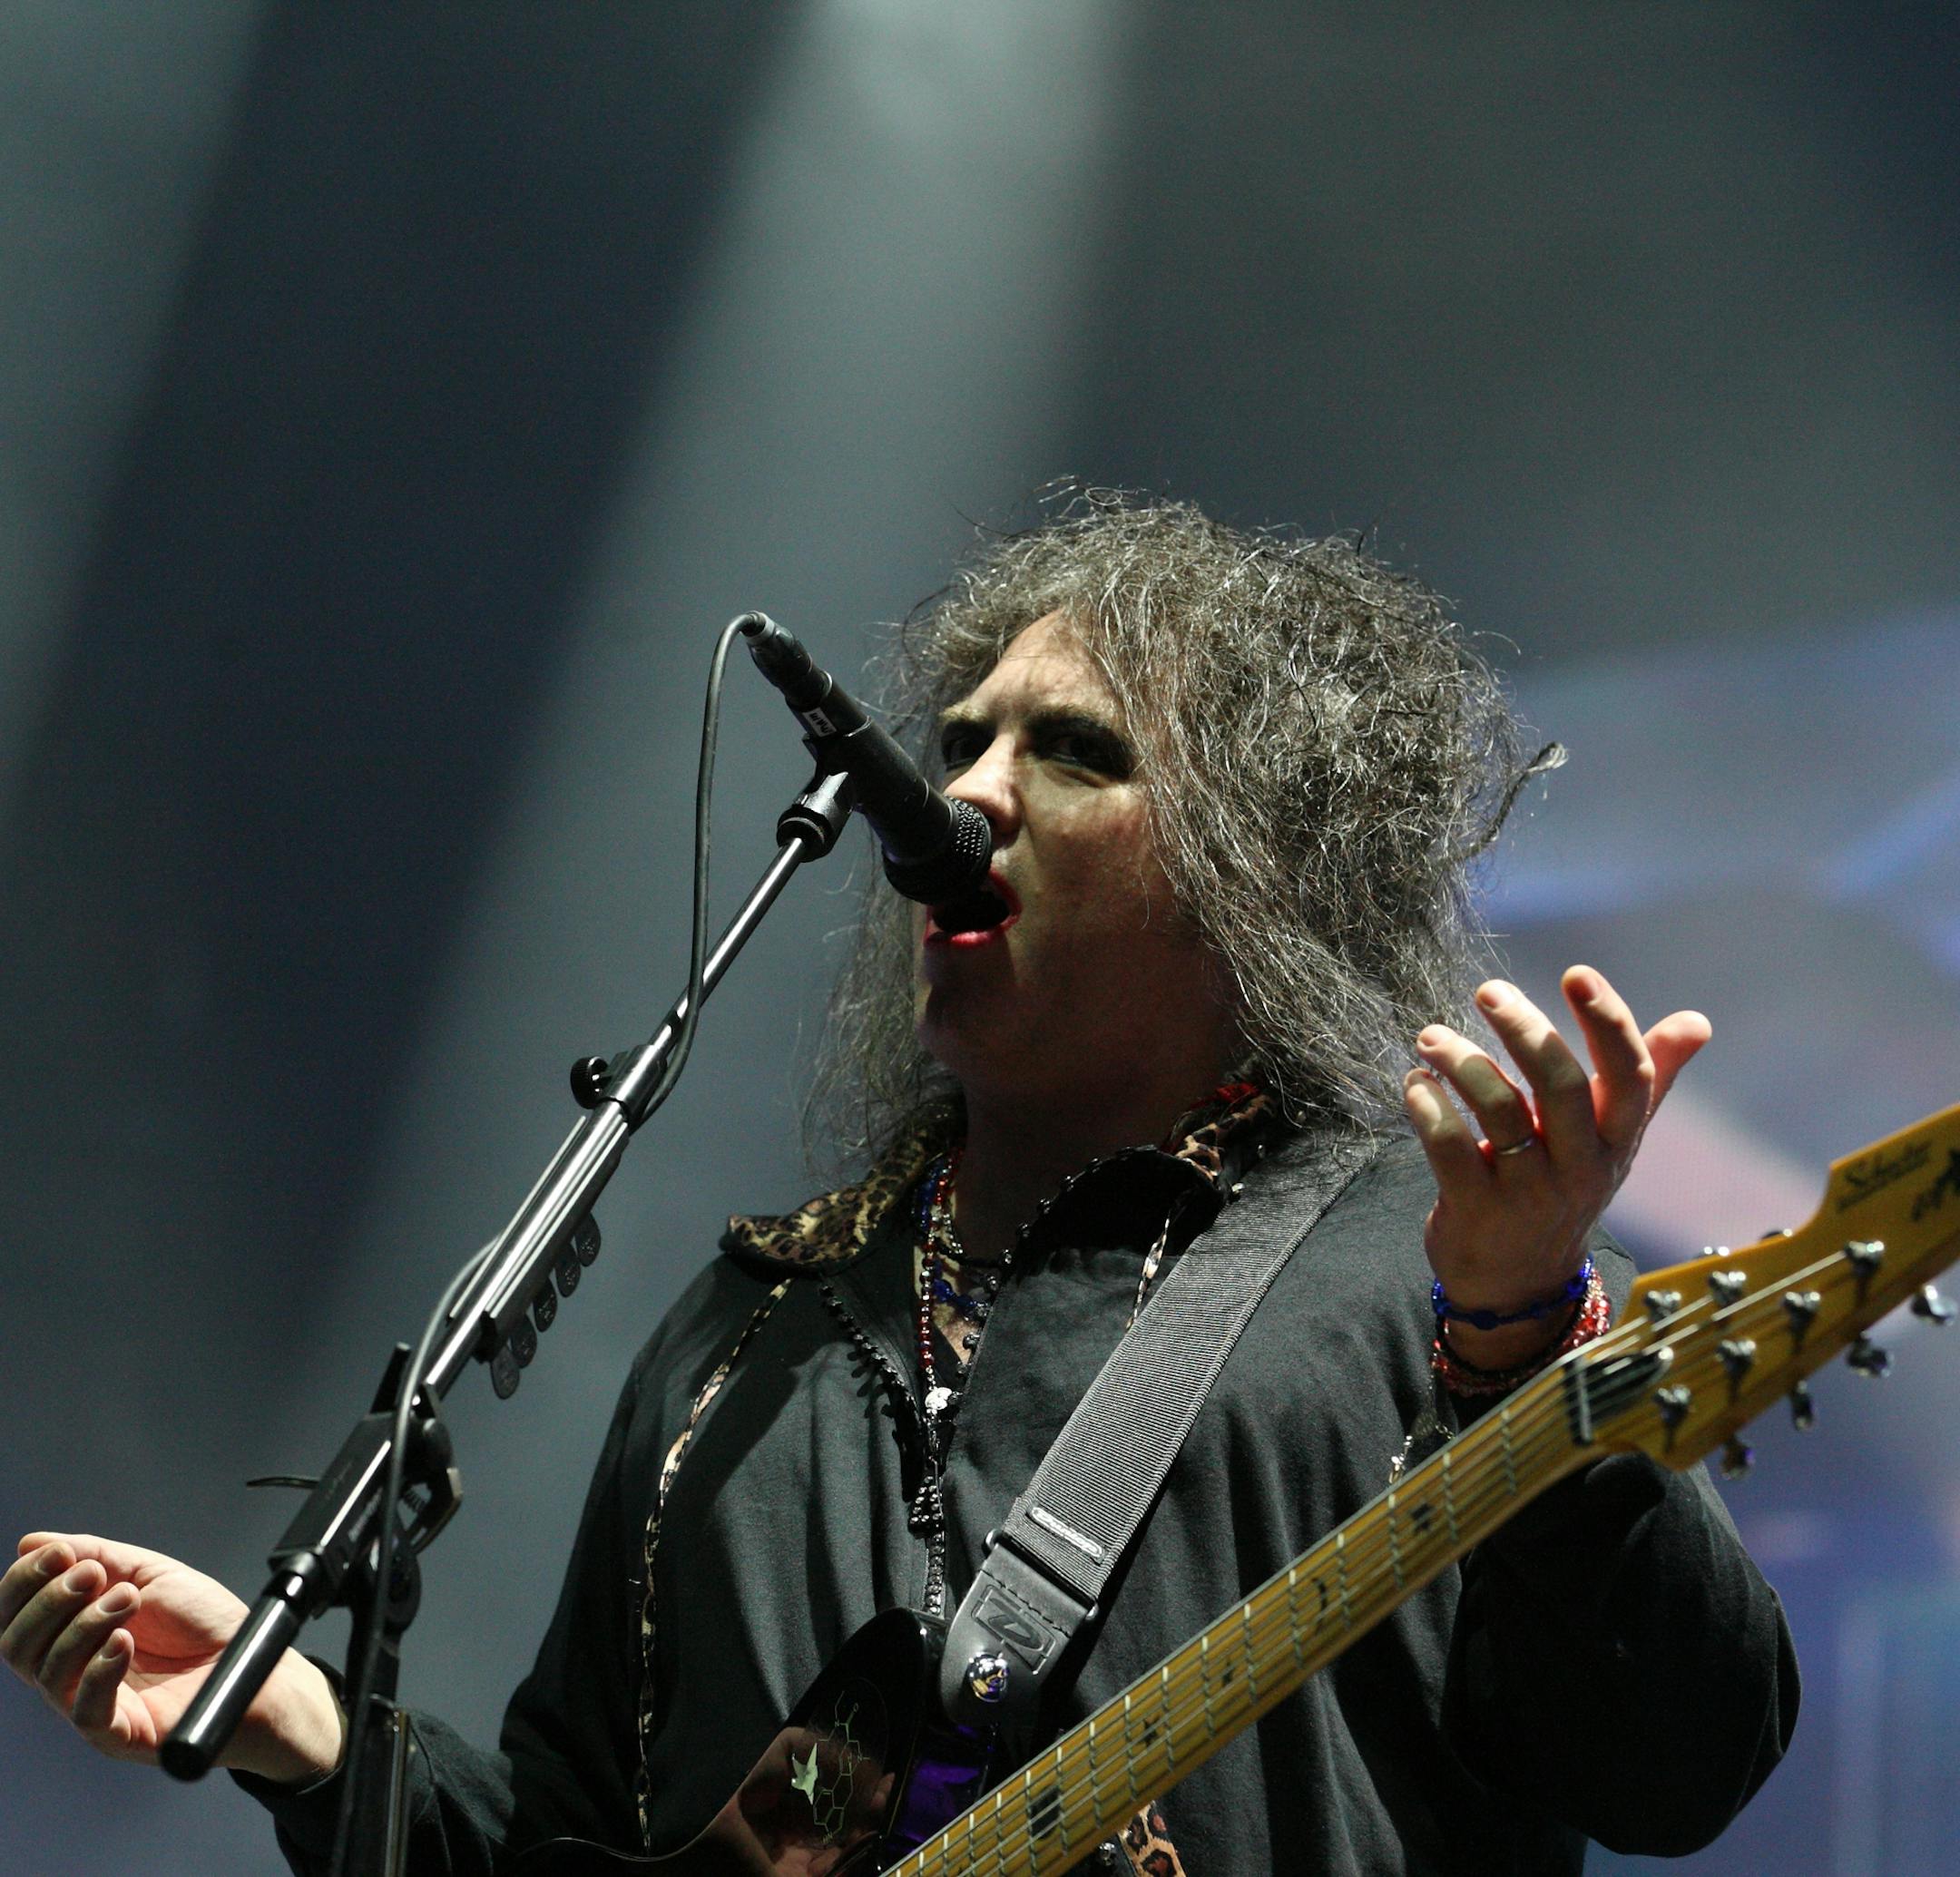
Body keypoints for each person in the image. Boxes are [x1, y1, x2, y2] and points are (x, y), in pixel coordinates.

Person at [4, 491, 1797, 1872]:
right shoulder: (749, 1342)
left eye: (1074, 750)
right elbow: (582, 1840)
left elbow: (1680, 1763)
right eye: (957, 741)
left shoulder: (1408, 1263)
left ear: (1251, 869)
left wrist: (1517, 1340)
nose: (968, 788)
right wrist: (318, 1736)